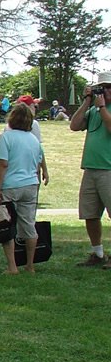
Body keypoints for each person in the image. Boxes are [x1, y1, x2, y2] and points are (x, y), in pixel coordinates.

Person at [0, 103, 46, 274]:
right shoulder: (34, 140)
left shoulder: (6, 137)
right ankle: (30, 265)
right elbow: (37, 163)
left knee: (7, 226)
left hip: (10, 185)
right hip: (30, 184)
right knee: (29, 225)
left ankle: (12, 266)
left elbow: (2, 164)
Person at [69, 71, 111, 268]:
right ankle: (98, 253)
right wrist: (87, 102)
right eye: (102, 88)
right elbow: (75, 125)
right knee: (90, 214)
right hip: (91, 169)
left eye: (109, 87)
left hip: (109, 169)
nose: (106, 91)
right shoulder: (93, 110)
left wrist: (102, 107)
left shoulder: (103, 109)